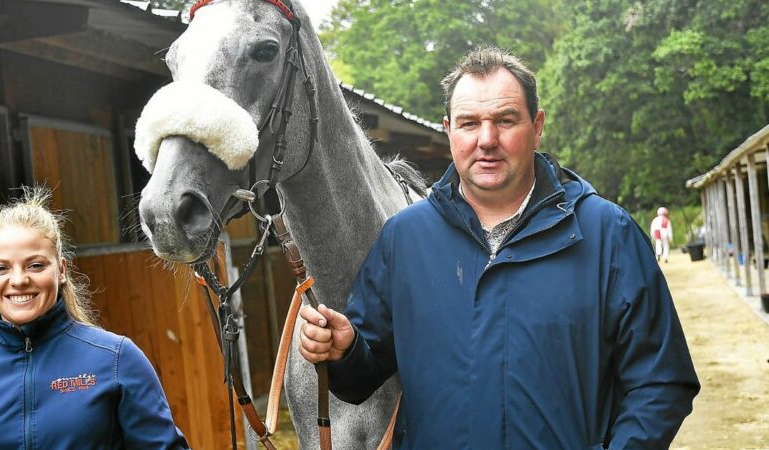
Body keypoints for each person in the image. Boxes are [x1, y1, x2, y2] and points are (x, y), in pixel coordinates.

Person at [298, 47, 699, 449]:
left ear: (537, 126)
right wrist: (344, 351)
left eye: (505, 120)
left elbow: (662, 383)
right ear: (448, 129)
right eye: (469, 123)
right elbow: (360, 379)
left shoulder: (607, 234)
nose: (486, 140)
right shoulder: (403, 239)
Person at [0, 187, 189, 449]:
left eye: (35, 265)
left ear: (61, 270)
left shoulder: (117, 360)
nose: (18, 280)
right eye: (1, 268)